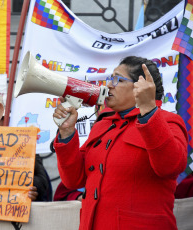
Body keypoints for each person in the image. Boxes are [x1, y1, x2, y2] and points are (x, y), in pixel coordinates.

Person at [53, 56, 188, 230]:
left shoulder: (168, 121)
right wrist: (66, 133)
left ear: (141, 86)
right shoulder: (103, 125)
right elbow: (73, 180)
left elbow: (171, 167)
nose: (108, 85)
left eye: (117, 79)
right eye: (110, 78)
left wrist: (148, 111)